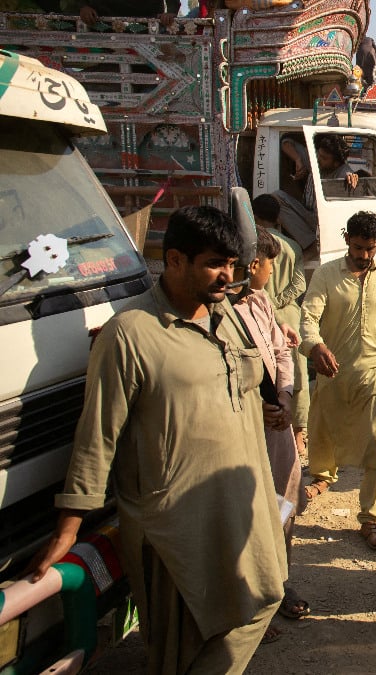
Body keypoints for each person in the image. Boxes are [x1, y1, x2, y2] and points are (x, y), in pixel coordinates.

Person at [30, 205, 287, 674]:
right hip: (176, 524)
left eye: (230, 265)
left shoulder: (225, 314)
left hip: (240, 508)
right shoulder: (130, 333)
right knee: (180, 646)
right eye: (213, 263)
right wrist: (70, 526)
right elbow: (97, 436)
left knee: (264, 598)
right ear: (173, 261)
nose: (225, 276)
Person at [300, 211, 376, 551]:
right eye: (359, 247)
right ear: (347, 239)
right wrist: (315, 346)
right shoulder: (326, 275)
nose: (363, 256)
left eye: (371, 249)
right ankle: (322, 478)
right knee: (326, 432)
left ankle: (372, 519)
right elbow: (308, 318)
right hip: (336, 371)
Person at [232, 228, 310, 640]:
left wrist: (283, 395)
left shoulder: (261, 302)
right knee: (250, 512)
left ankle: (279, 583)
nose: (273, 271)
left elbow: (282, 351)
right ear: (252, 265)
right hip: (249, 429)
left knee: (283, 504)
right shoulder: (226, 312)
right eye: (269, 263)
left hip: (276, 425)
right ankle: (253, 603)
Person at [251, 194, 309, 458]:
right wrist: (281, 302)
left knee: (267, 374)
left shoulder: (254, 247)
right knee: (297, 376)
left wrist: (270, 303)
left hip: (262, 315)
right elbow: (300, 285)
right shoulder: (292, 246)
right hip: (290, 315)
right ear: (278, 217)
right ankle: (299, 434)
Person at [276, 133, 359, 249]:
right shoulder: (316, 161)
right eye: (319, 155)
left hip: (321, 221)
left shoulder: (343, 172)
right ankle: (310, 243)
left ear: (336, 163)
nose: (319, 160)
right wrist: (298, 159)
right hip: (306, 212)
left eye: (324, 158)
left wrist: (351, 176)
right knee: (276, 197)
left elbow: (349, 176)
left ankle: (311, 246)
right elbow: (286, 142)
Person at [65, 0, 179, 23]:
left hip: (147, 20)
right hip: (104, 19)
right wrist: (83, 7)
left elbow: (173, 3)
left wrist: (171, 12)